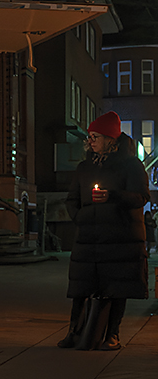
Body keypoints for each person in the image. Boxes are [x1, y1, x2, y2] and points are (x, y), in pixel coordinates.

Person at [58, 112, 150, 351]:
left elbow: (141, 197)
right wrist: (80, 217)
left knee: (116, 287)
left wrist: (113, 196)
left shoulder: (131, 165)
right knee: (81, 287)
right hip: (89, 238)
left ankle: (112, 335)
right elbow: (72, 199)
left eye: (95, 136)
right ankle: (74, 333)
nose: (90, 141)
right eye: (89, 136)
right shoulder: (84, 167)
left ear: (110, 138)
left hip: (120, 238)